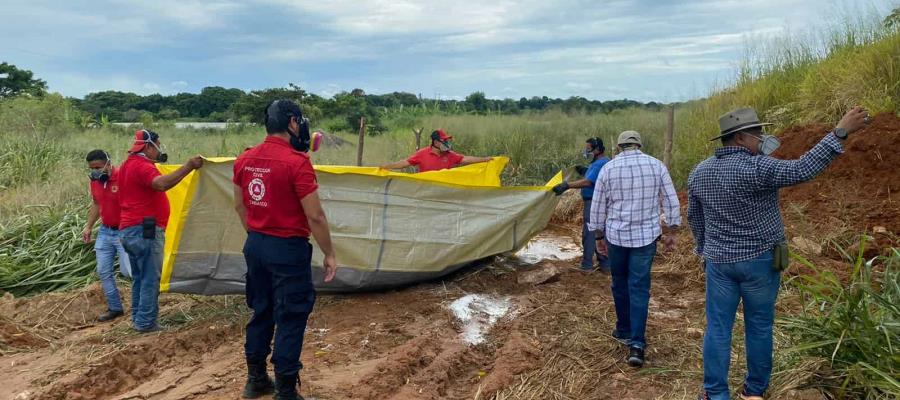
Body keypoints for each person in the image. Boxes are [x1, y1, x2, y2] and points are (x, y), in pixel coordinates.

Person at [688, 107, 869, 400]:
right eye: (757, 133)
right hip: (760, 261)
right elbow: (802, 169)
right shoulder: (758, 168)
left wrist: (704, 251)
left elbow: (695, 218)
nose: (762, 138)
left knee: (718, 328)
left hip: (719, 262)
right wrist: (839, 132)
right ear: (740, 138)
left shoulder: (700, 172)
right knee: (759, 326)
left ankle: (715, 393)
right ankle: (754, 391)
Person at [233, 100, 337, 400]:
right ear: (292, 123)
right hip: (288, 249)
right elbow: (315, 216)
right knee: (290, 315)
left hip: (255, 244)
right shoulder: (296, 162)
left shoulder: (245, 159)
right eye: (299, 121)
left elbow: (239, 204)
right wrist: (329, 253)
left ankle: (255, 380)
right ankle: (287, 391)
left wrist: (257, 235)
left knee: (262, 310)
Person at [588, 130, 681, 368]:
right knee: (639, 287)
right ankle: (637, 344)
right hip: (645, 239)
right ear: (639, 145)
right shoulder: (656, 165)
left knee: (619, 282)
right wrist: (672, 231)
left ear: (619, 147)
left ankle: (623, 328)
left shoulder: (608, 168)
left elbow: (598, 205)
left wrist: (598, 236)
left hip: (616, 237)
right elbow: (670, 200)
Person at [118, 129, 203, 333]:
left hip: (129, 230)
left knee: (139, 277)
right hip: (145, 230)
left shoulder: (127, 165)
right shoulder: (142, 166)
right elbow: (160, 184)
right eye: (157, 145)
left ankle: (139, 318)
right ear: (148, 146)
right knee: (149, 278)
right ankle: (146, 323)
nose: (159, 150)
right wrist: (189, 166)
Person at [82, 149, 132, 322]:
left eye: (98, 166)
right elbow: (96, 203)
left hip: (124, 231)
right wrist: (88, 227)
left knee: (129, 272)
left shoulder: (123, 178)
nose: (95, 171)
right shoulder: (95, 181)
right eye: (91, 168)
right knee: (104, 271)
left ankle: (140, 305)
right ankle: (115, 308)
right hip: (105, 231)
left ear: (108, 163)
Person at [552, 137, 611, 271]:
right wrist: (585, 170)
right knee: (599, 231)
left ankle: (587, 264)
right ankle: (605, 264)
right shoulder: (601, 163)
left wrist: (567, 185)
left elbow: (588, 182)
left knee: (590, 233)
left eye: (588, 149)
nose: (586, 152)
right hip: (597, 202)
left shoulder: (600, 163)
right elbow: (594, 176)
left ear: (597, 150)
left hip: (593, 202)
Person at [379, 129, 493, 172]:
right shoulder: (422, 154)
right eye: (444, 141)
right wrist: (386, 167)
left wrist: (484, 159)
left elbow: (465, 159)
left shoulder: (450, 155)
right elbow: (404, 163)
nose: (447, 144)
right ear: (436, 142)